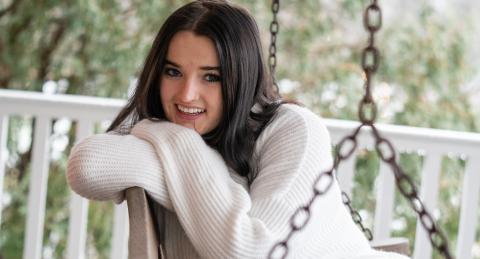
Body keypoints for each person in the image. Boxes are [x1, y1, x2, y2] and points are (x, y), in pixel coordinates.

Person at [67, 1, 410, 258]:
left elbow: (254, 252)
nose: (186, 95)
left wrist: (176, 144)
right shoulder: (164, 130)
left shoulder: (294, 130)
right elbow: (87, 167)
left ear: (241, 78)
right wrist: (177, 138)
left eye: (211, 77)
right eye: (173, 72)